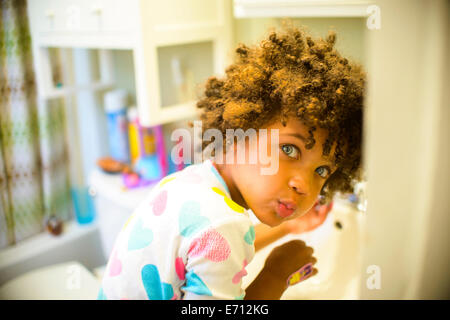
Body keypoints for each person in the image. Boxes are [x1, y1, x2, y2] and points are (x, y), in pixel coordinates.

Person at [98, 23, 365, 300]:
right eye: (289, 148)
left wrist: (289, 226)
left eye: (322, 170)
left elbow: (217, 246)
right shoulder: (222, 224)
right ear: (242, 129)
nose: (304, 185)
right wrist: (276, 275)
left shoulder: (195, 183)